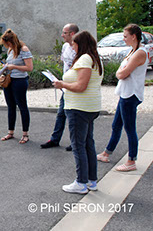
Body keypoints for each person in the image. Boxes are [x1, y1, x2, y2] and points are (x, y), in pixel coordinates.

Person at [53, 31, 103, 194]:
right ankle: (91, 180)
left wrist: (62, 84)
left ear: (80, 44)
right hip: (89, 107)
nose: (72, 47)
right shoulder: (94, 58)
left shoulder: (84, 59)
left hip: (79, 107)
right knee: (88, 143)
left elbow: (81, 85)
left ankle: (81, 182)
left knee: (78, 145)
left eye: (74, 44)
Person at [97, 24, 148, 172]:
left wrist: (120, 72)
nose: (123, 39)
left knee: (129, 128)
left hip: (131, 95)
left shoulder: (139, 53)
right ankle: (107, 153)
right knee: (116, 125)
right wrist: (121, 72)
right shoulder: (132, 51)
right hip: (125, 93)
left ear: (134, 36)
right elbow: (122, 72)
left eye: (125, 36)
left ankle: (131, 161)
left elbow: (122, 74)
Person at [41, 24, 79, 151]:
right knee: (61, 113)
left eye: (64, 33)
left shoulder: (79, 48)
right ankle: (55, 139)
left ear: (72, 34)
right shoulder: (65, 47)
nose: (62, 35)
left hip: (73, 86)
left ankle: (75, 142)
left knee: (73, 116)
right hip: (65, 86)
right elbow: (65, 65)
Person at [0, 29, 33, 144]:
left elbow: (29, 68)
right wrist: (6, 66)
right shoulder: (10, 51)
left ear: (11, 41)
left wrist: (14, 67)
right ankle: (10, 132)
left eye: (7, 44)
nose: (6, 46)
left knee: (22, 106)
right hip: (9, 80)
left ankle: (25, 134)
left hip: (20, 81)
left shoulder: (24, 50)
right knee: (11, 106)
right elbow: (11, 64)